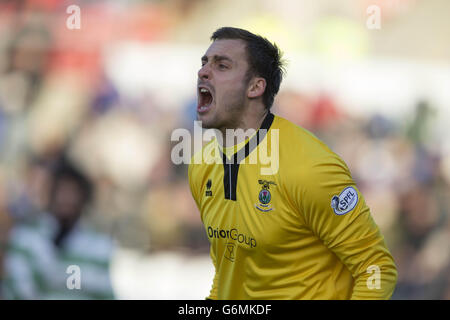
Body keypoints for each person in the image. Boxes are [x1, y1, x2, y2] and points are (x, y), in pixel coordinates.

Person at [188, 27, 397, 299]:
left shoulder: (310, 168)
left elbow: (376, 268)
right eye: (204, 63)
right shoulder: (201, 166)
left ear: (255, 86)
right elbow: (229, 274)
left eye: (222, 65)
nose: (203, 72)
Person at [2, 159, 115, 299]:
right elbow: (18, 288)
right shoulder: (26, 238)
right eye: (61, 191)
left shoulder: (99, 246)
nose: (67, 199)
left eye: (73, 192)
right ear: (50, 194)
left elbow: (104, 292)